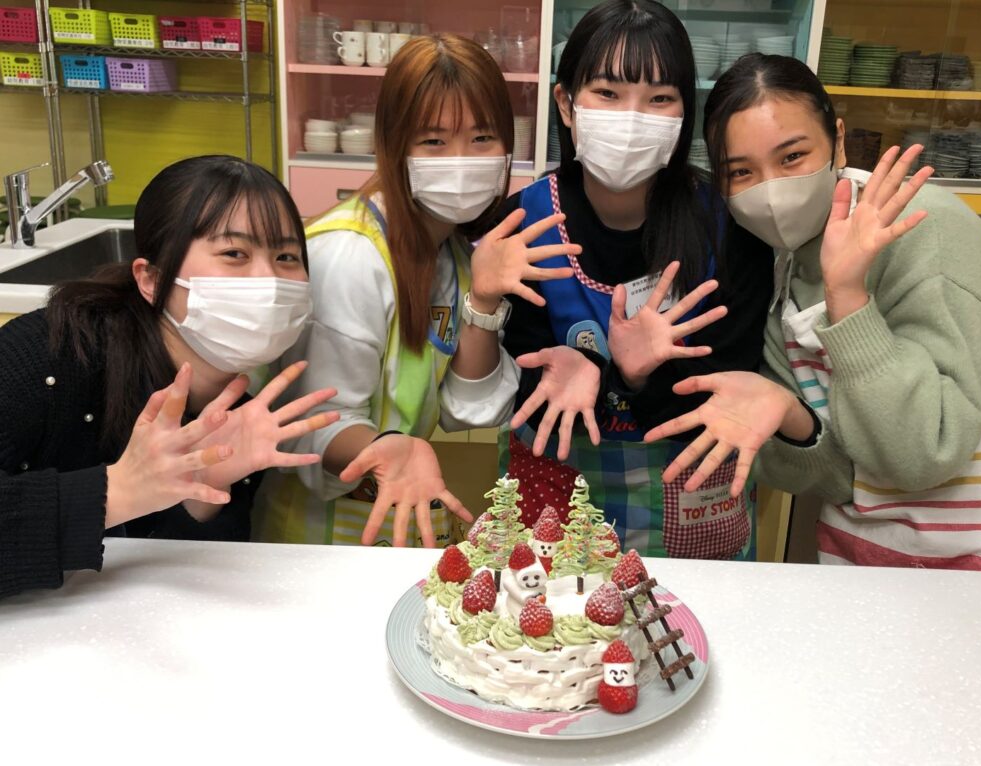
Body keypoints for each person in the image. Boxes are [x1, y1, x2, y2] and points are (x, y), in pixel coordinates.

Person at [648, 53, 981, 570]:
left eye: (792, 157)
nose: (772, 190)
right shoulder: (772, 265)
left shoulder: (924, 227)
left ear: (838, 140)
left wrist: (847, 299)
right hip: (866, 555)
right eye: (741, 171)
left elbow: (924, 454)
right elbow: (837, 477)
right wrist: (791, 417)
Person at [252, 34, 580, 549]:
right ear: (394, 144)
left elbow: (469, 409)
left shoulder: (454, 252)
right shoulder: (351, 256)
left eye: (482, 138)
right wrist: (391, 449)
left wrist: (483, 300)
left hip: (398, 513)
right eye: (433, 142)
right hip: (317, 537)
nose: (461, 160)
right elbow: (314, 423)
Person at [494, 0, 773, 559]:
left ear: (684, 113)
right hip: (555, 491)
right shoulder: (525, 222)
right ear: (566, 104)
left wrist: (637, 378)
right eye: (607, 93)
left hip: (690, 491)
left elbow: (733, 385)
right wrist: (595, 371)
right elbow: (513, 386)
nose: (632, 117)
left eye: (659, 98)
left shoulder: (729, 228)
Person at [0, 155, 339, 599]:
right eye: (235, 254)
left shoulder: (236, 411)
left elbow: (175, 586)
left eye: (286, 256)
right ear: (152, 280)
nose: (269, 278)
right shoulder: (46, 353)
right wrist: (118, 491)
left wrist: (205, 489)